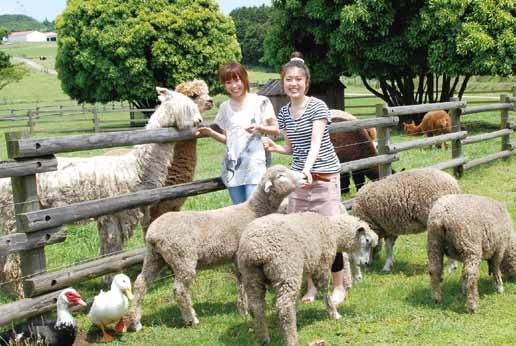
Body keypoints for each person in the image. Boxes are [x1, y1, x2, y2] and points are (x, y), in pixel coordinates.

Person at [262, 53, 346, 305]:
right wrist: (275, 148)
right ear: (283, 83)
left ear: (306, 82)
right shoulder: (285, 112)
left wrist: (307, 170)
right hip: (299, 181)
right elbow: (292, 147)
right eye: (289, 79)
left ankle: (339, 286)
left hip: (323, 177)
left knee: (330, 232)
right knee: (303, 234)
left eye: (298, 79)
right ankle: (310, 288)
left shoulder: (318, 107)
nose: (293, 84)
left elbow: (315, 144)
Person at [197, 61, 279, 204]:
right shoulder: (224, 108)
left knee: (254, 211)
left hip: (255, 167)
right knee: (238, 213)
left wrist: (259, 128)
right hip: (233, 170)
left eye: (237, 80)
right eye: (228, 82)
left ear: (244, 78)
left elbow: (276, 130)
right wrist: (210, 133)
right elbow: (230, 140)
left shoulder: (261, 102)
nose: (234, 86)